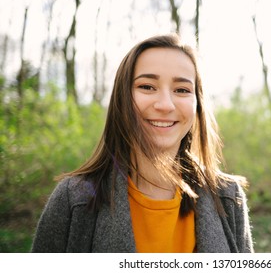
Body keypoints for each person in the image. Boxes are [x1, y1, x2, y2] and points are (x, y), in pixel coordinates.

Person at [31, 34, 254, 253]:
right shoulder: (73, 199)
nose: (165, 105)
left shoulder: (228, 197)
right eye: (147, 86)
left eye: (182, 90)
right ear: (122, 99)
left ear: (197, 105)